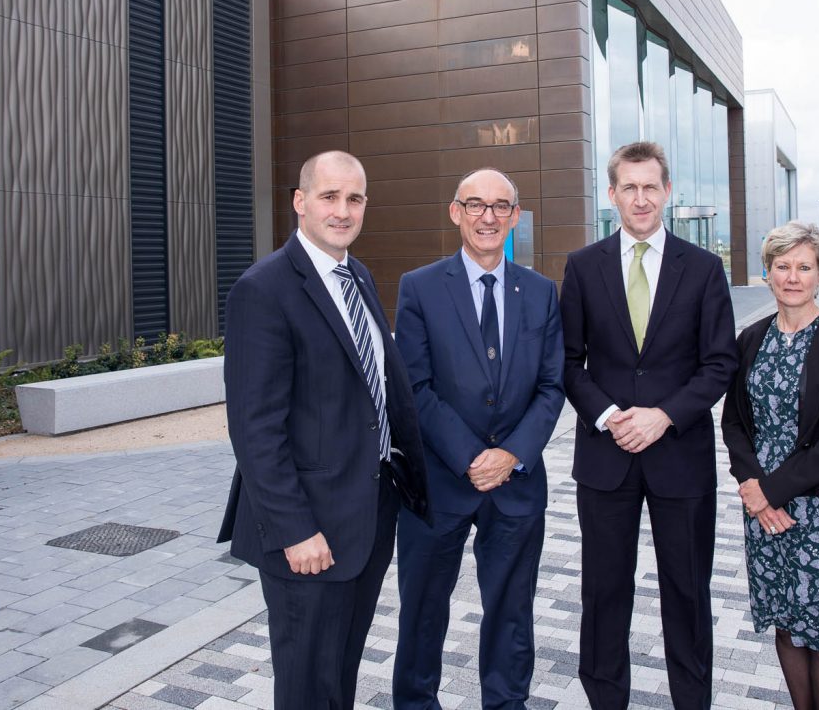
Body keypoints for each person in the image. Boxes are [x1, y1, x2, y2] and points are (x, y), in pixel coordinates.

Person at [216, 150, 430, 710]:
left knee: (340, 674)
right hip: (308, 533)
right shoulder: (263, 290)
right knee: (309, 684)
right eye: (329, 196)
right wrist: (294, 530)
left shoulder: (354, 274)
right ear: (300, 202)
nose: (343, 210)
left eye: (354, 198)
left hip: (365, 518)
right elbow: (255, 429)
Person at [560, 141, 738, 710]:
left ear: (667, 192)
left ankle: (692, 700)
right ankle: (605, 700)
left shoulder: (704, 268)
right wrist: (611, 416)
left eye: (651, 187)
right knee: (604, 593)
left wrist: (665, 416)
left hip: (679, 458)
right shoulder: (583, 267)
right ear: (612, 195)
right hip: (605, 459)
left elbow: (719, 363)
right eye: (629, 187)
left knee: (686, 594)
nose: (641, 198)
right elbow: (566, 361)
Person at [393, 168, 565, 710]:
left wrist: (511, 454)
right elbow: (413, 386)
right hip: (439, 484)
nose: (487, 217)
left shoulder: (541, 292)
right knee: (422, 613)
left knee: (512, 616)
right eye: (475, 205)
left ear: (514, 216)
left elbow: (552, 385)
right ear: (455, 212)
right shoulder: (418, 287)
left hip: (515, 487)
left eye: (499, 206)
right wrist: (471, 457)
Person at [721, 221, 819, 710]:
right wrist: (751, 487)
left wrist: (772, 492)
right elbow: (735, 424)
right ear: (766, 273)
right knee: (785, 621)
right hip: (762, 509)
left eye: (804, 267)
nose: (792, 276)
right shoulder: (751, 338)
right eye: (782, 266)